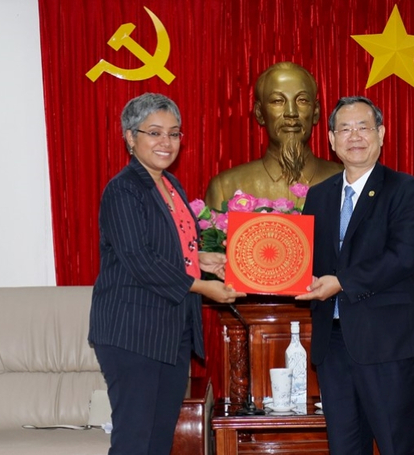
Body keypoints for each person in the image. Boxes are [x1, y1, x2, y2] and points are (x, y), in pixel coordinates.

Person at [88, 93, 246, 455]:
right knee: (134, 440)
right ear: (130, 137)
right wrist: (204, 287)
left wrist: (204, 258)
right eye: (154, 133)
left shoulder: (170, 185)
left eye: (174, 134)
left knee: (159, 441)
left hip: (172, 331)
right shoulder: (124, 189)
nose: (166, 143)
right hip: (132, 332)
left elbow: (170, 247)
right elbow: (139, 258)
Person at [296, 96, 414, 455]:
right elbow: (304, 260)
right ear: (330, 139)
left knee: (397, 444)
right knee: (344, 446)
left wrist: (341, 281)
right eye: (344, 128)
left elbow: (404, 255)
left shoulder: (402, 189)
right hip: (333, 342)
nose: (354, 136)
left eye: (363, 127)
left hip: (386, 342)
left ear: (381, 134)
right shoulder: (319, 196)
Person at [204, 62, 342, 210]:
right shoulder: (225, 188)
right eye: (278, 101)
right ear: (259, 113)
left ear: (315, 113)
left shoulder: (346, 182)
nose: (291, 112)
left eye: (302, 100)